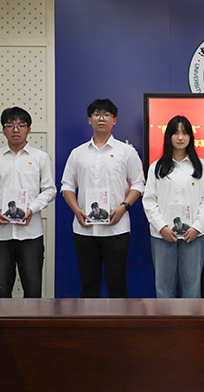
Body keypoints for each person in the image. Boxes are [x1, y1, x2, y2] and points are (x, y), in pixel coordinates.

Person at [61, 99, 145, 298]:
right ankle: (89, 320)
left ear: (114, 120)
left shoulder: (126, 151)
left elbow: (139, 184)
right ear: (89, 119)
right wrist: (76, 210)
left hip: (117, 229)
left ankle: (118, 320)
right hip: (84, 229)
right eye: (97, 114)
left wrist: (124, 207)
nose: (101, 118)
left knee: (117, 286)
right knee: (89, 286)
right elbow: (67, 186)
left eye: (107, 115)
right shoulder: (77, 153)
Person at [0, 107, 56, 298]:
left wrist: (32, 209)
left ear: (29, 130)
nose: (15, 129)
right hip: (0, 234)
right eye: (10, 125)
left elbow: (49, 190)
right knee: (1, 289)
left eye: (21, 125)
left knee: (33, 289)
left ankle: (32, 320)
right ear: (3, 130)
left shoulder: (41, 158)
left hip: (31, 233)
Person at [143, 116, 204, 298]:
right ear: (168, 136)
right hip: (162, 236)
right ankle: (166, 318)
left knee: (192, 286)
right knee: (163, 287)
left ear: (191, 136)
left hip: (193, 236)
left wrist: (197, 227)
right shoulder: (156, 167)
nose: (180, 137)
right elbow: (149, 200)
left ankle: (192, 318)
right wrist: (162, 227)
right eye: (175, 133)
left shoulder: (201, 166)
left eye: (185, 133)